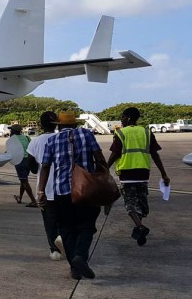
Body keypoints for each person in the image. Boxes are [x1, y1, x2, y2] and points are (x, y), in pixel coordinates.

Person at [36, 112, 106, 280]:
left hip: (62, 192)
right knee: (86, 226)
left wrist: (41, 191)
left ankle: (74, 268)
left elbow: (45, 166)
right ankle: (80, 256)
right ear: (75, 124)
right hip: (86, 190)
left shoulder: (52, 140)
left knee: (67, 230)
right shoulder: (86, 134)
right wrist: (103, 179)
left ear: (59, 126)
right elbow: (99, 158)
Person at [106, 107, 170, 246]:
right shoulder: (146, 132)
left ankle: (140, 227)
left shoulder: (121, 133)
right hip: (143, 173)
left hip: (127, 173)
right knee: (140, 204)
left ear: (128, 118)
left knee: (130, 204)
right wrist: (163, 173)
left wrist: (105, 168)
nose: (121, 119)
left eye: (123, 117)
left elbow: (115, 154)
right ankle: (139, 231)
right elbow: (155, 154)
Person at [26, 111, 64, 261]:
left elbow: (31, 165)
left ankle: (55, 250)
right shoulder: (63, 138)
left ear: (41, 124)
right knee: (64, 217)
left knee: (49, 220)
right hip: (64, 185)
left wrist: (36, 168)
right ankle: (63, 238)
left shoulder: (35, 141)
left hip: (45, 186)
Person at [8, 124, 37, 207]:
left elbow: (10, 151)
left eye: (11, 130)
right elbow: (32, 148)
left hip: (20, 161)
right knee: (23, 180)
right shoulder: (27, 138)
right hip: (29, 161)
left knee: (24, 181)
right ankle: (20, 197)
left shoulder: (12, 140)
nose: (10, 131)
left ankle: (33, 201)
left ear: (14, 131)